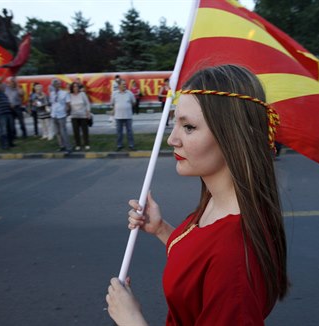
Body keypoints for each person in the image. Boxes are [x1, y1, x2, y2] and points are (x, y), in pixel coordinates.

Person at [106, 65, 289, 325]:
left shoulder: (234, 255)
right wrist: (161, 230)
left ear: (233, 136)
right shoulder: (218, 203)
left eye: (189, 127)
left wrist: (132, 320)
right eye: (175, 124)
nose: (172, 140)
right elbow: (198, 265)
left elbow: (220, 263)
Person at [110, 79, 136, 151]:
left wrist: (126, 106)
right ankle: (119, 145)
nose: (125, 85)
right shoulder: (114, 94)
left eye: (125, 84)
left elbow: (133, 102)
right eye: (123, 84)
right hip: (118, 116)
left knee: (130, 132)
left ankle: (131, 145)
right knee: (119, 132)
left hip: (128, 116)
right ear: (119, 86)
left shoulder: (129, 93)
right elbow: (112, 104)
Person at [0, 77, 15, 150]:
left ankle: (10, 143)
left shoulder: (3, 94)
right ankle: (4, 145)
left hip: (8, 112)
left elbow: (7, 102)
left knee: (11, 129)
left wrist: (10, 105)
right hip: (1, 113)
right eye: (1, 85)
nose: (3, 86)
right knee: (3, 130)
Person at [50, 79, 72, 154]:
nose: (56, 85)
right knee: (58, 132)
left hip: (62, 114)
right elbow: (52, 103)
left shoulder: (64, 93)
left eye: (58, 84)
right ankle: (61, 146)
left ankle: (68, 147)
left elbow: (68, 103)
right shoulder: (52, 93)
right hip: (54, 114)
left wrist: (67, 111)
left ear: (60, 85)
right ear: (53, 85)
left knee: (63, 132)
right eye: (55, 84)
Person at [68, 81, 91, 151]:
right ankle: (78, 144)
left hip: (83, 115)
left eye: (77, 86)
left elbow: (87, 104)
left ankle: (86, 144)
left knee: (85, 131)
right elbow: (68, 105)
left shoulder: (82, 94)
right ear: (72, 88)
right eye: (74, 86)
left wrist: (88, 113)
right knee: (76, 131)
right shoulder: (69, 95)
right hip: (74, 116)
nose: (76, 88)